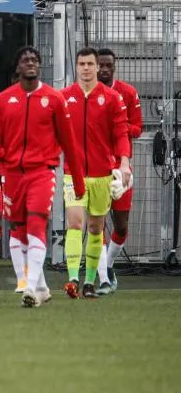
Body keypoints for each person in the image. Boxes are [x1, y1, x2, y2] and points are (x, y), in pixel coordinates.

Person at [0, 46, 85, 308]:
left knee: (37, 224)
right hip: (12, 174)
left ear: (40, 66)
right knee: (18, 230)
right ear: (17, 68)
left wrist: (79, 181)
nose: (31, 63)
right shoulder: (4, 100)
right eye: (25, 60)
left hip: (42, 172)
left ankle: (29, 286)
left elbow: (69, 142)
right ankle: (39, 286)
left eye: (35, 60)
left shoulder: (54, 98)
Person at [60, 48, 131, 300]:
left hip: (102, 174)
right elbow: (51, 132)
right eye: (82, 63)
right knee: (75, 222)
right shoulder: (64, 97)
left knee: (95, 227)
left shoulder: (112, 98)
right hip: (74, 173)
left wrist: (123, 162)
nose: (87, 68)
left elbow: (121, 133)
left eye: (90, 63)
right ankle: (72, 279)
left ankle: (90, 281)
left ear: (96, 66)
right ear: (76, 66)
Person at [96, 48, 142, 291]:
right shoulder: (88, 94)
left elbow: (138, 128)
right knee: (98, 222)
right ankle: (103, 275)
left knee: (121, 224)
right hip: (97, 166)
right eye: (100, 65)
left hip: (121, 167)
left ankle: (110, 264)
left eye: (107, 65)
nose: (103, 69)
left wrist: (118, 126)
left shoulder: (128, 92)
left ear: (114, 67)